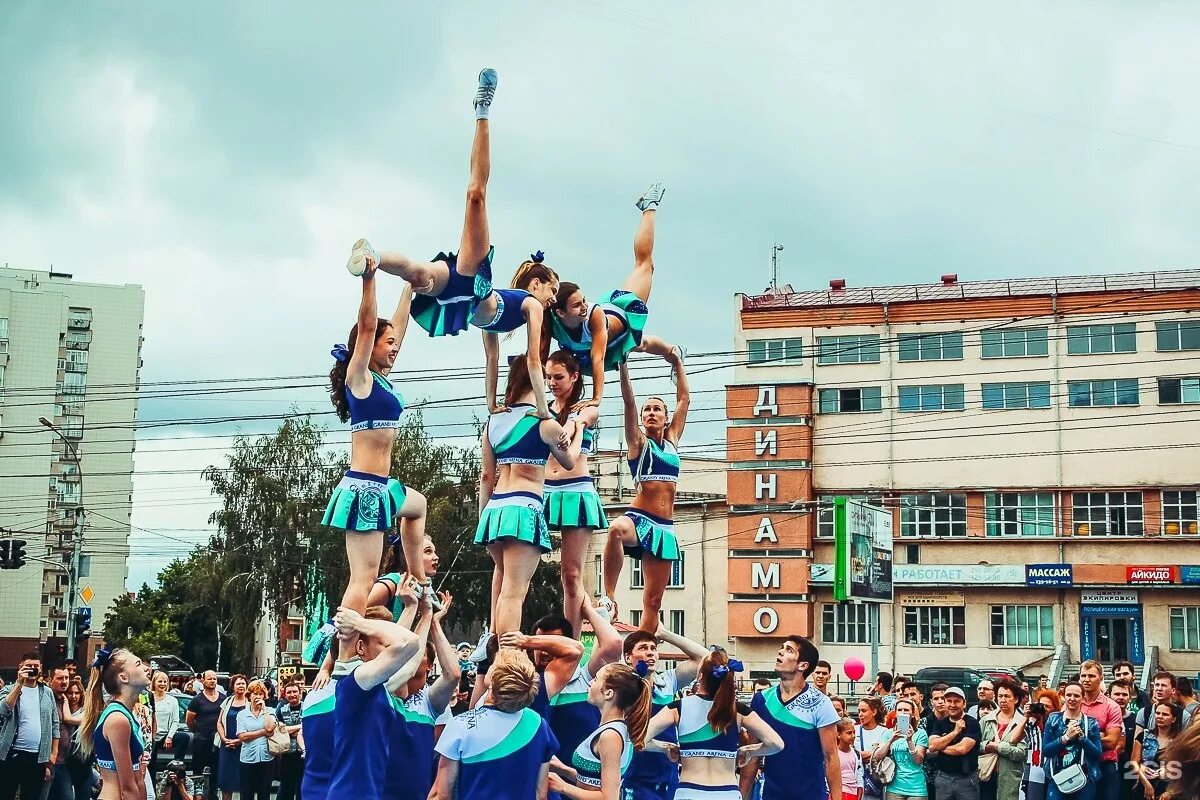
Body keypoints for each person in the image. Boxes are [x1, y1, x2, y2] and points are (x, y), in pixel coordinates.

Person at [325, 256, 429, 662]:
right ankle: (344, 654)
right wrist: (370, 279)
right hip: (364, 488)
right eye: (388, 345)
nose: (394, 348)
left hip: (384, 487)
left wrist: (408, 285)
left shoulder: (382, 378)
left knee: (417, 506)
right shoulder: (360, 378)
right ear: (367, 348)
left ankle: (418, 580)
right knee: (363, 578)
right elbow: (370, 326)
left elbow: (395, 327)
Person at [548, 182, 680, 408]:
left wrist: (596, 399)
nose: (584, 307)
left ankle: (649, 206)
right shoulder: (551, 321)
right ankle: (674, 351)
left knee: (645, 264)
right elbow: (539, 358)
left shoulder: (593, 314)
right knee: (642, 345)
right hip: (593, 348)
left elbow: (598, 359)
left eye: (584, 301)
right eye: (577, 306)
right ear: (560, 313)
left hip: (619, 317)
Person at [476, 356, 577, 636]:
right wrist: (574, 433)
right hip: (524, 507)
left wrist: (483, 520)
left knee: (504, 583)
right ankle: (506, 655)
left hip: (495, 510)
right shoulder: (545, 423)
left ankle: (493, 645)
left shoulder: (493, 421)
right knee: (513, 592)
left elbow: (487, 476)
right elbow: (568, 462)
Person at [600, 354, 689, 632]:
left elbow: (684, 400)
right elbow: (628, 402)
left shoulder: (672, 441)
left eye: (657, 409)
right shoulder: (638, 443)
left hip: (665, 528)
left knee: (653, 601)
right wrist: (623, 364)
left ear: (665, 418)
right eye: (646, 410)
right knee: (615, 528)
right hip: (638, 518)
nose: (651, 413)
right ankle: (609, 598)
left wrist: (677, 363)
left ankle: (644, 648)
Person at [642, 650, 783, 800]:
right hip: (727, 792)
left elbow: (639, 739)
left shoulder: (678, 708)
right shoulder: (738, 710)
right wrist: (749, 751)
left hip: (690, 791)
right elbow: (776, 744)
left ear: (700, 677)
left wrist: (665, 748)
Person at [312, 537, 441, 689]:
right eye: (428, 551)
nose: (436, 557)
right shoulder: (392, 582)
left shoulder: (416, 591)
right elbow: (349, 616)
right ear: (409, 555)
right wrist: (327, 668)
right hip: (347, 647)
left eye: (434, 551)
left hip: (376, 650)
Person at [432, 648, 559, 800]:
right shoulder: (539, 724)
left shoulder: (460, 725)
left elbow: (440, 795)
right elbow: (541, 795)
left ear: (493, 681)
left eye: (493, 665)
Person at [544, 349, 609, 635]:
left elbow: (585, 419)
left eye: (558, 377)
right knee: (518, 566)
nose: (552, 382)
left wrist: (573, 422)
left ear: (574, 376)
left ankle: (572, 637)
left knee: (571, 575)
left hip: (576, 492)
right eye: (548, 377)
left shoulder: (586, 408)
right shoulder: (542, 408)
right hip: (543, 490)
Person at [328, 605, 422, 799]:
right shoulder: (357, 682)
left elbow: (410, 663)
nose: (389, 648)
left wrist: (419, 609)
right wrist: (359, 623)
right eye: (383, 643)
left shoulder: (376, 689)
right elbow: (408, 643)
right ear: (361, 647)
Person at [384, 591, 460, 800]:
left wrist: (433, 623)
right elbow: (393, 653)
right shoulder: (382, 692)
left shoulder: (429, 700)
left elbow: (453, 674)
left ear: (428, 664)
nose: (412, 657)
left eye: (419, 653)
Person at [618, 626, 709, 800]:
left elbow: (705, 659)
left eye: (653, 648)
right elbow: (628, 737)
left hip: (668, 775)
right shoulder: (622, 686)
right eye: (643, 648)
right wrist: (663, 747)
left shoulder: (667, 681)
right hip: (635, 777)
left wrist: (664, 634)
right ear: (628, 657)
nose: (650, 653)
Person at [745, 636, 841, 800]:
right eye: (782, 648)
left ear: (802, 665)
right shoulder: (761, 700)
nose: (780, 651)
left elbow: (831, 758)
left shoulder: (821, 703)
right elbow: (752, 754)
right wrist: (740, 795)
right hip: (771, 795)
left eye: (789, 650)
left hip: (811, 795)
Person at [546, 596, 625, 791]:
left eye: (557, 646)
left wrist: (590, 610)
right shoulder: (530, 684)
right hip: (547, 784)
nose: (549, 652)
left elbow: (613, 645)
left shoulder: (584, 680)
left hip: (577, 788)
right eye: (543, 645)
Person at [547, 662, 650, 800]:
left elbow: (609, 797)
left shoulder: (611, 735)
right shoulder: (613, 730)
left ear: (608, 693)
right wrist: (563, 770)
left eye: (596, 679)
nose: (590, 682)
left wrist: (563, 787)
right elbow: (595, 781)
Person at [77, 648, 152, 800]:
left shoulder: (125, 714)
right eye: (138, 664)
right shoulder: (118, 719)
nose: (146, 668)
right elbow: (127, 788)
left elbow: (138, 779)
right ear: (123, 678)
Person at [0, 652, 60, 800]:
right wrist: (19, 683)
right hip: (11, 753)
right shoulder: (9, 689)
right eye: (28, 666)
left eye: (35, 666)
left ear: (40, 668)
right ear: (20, 667)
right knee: (5, 794)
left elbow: (55, 722)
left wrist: (54, 752)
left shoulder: (47, 692)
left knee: (32, 795)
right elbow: (3, 710)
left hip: (37, 757)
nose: (32, 669)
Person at [1043, 682, 1102, 800]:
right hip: (1057, 777)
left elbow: (1097, 754)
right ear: (1064, 696)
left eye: (1076, 696)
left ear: (1083, 698)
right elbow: (1046, 751)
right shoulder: (1053, 719)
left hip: (1084, 778)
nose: (1072, 699)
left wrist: (1082, 738)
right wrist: (1065, 738)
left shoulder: (1091, 723)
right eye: (1069, 695)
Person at [925, 687, 981, 800]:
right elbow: (931, 746)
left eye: (957, 701)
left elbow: (961, 749)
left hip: (966, 780)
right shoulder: (939, 724)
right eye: (949, 701)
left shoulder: (972, 723)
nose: (952, 704)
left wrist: (940, 745)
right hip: (943, 779)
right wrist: (955, 732)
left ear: (964, 703)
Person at [1078, 661, 1123, 800]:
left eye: (1091, 676)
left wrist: (1079, 737)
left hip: (1104, 765)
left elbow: (1111, 743)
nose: (1086, 679)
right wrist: (1098, 734)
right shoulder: (1072, 704)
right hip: (1077, 765)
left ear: (1101, 678)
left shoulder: (1112, 706)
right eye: (1083, 675)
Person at [981, 679, 1030, 800]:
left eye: (1007, 696)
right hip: (985, 774)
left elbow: (1021, 753)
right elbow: (975, 745)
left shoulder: (1022, 722)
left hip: (1010, 777)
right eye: (1000, 696)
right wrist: (987, 745)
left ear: (1016, 699)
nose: (1003, 700)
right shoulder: (986, 720)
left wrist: (999, 747)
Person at [872, 697, 928, 800]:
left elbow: (918, 760)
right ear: (896, 713)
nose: (903, 713)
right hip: (894, 787)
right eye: (900, 710)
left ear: (912, 714)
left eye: (906, 710)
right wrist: (891, 740)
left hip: (916, 788)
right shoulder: (888, 733)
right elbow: (877, 756)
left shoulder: (920, 733)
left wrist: (910, 741)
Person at [234, 680, 275, 800]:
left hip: (266, 758)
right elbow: (242, 737)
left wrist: (264, 710)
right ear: (249, 696)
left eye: (260, 694)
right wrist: (263, 732)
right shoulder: (242, 714)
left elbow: (270, 727)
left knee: (264, 793)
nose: (257, 697)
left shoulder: (270, 711)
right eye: (254, 694)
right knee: (247, 793)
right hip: (248, 759)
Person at [1131, 701, 1181, 800]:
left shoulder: (1180, 740)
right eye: (1157, 713)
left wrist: (1171, 792)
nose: (1160, 716)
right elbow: (1133, 763)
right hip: (1144, 783)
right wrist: (1146, 785)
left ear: (1174, 719)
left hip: (1169, 787)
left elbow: (1184, 769)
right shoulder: (1144, 736)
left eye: (1165, 714)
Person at [214, 675, 248, 800]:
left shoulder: (250, 702)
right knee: (226, 782)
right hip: (227, 747)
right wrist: (223, 738)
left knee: (244, 782)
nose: (241, 686)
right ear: (232, 686)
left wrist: (239, 741)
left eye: (243, 683)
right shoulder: (227, 701)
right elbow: (219, 722)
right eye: (238, 683)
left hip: (244, 746)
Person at [185, 671, 223, 782]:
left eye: (214, 679)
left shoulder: (223, 698)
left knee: (215, 771)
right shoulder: (197, 700)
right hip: (201, 740)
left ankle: (212, 795)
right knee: (199, 772)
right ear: (203, 680)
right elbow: (189, 720)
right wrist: (198, 732)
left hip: (217, 740)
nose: (212, 681)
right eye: (209, 679)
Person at [149, 672, 187, 782]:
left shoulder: (172, 700)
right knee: (151, 763)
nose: (163, 684)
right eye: (160, 681)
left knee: (184, 738)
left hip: (165, 736)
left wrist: (169, 736)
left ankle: (175, 769)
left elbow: (176, 721)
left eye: (165, 681)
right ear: (154, 682)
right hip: (150, 737)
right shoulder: (148, 697)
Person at [61, 677, 93, 800]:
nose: (74, 696)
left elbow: (68, 719)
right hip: (65, 762)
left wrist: (64, 701)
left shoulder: (86, 712)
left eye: (77, 693)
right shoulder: (60, 710)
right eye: (70, 693)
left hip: (83, 763)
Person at [1105, 680, 1137, 800]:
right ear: (1109, 695)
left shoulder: (1135, 720)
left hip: (1128, 771)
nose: (1121, 697)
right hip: (1106, 768)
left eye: (1124, 694)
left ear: (1130, 698)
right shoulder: (1102, 719)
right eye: (1117, 694)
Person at [272, 681, 303, 800]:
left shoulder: (308, 708)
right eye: (289, 692)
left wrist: (288, 730)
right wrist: (301, 728)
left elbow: (310, 729)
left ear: (300, 693)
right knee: (286, 788)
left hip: (304, 754)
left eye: (295, 691)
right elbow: (279, 731)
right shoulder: (280, 711)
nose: (292, 694)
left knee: (302, 788)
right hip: (287, 754)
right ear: (285, 695)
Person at [856, 698, 890, 800]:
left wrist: (868, 755)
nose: (860, 714)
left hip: (878, 779)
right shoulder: (854, 729)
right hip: (858, 779)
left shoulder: (884, 731)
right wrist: (873, 754)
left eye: (864, 711)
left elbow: (885, 754)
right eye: (859, 711)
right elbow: (851, 753)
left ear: (874, 712)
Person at [837, 719, 864, 800]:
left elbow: (859, 776)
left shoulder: (856, 754)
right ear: (838, 735)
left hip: (853, 794)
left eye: (854, 732)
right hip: (838, 793)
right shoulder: (833, 754)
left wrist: (858, 795)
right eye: (849, 733)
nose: (853, 736)